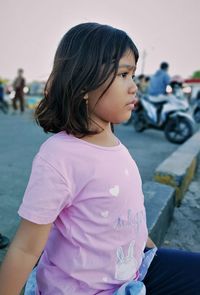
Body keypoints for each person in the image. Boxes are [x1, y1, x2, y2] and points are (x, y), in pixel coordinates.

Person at [0, 23, 199, 295]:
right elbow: (25, 248)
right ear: (83, 84)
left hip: (135, 271)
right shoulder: (59, 156)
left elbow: (127, 212)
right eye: (123, 74)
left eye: (133, 75)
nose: (134, 87)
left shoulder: (113, 141)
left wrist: (148, 246)